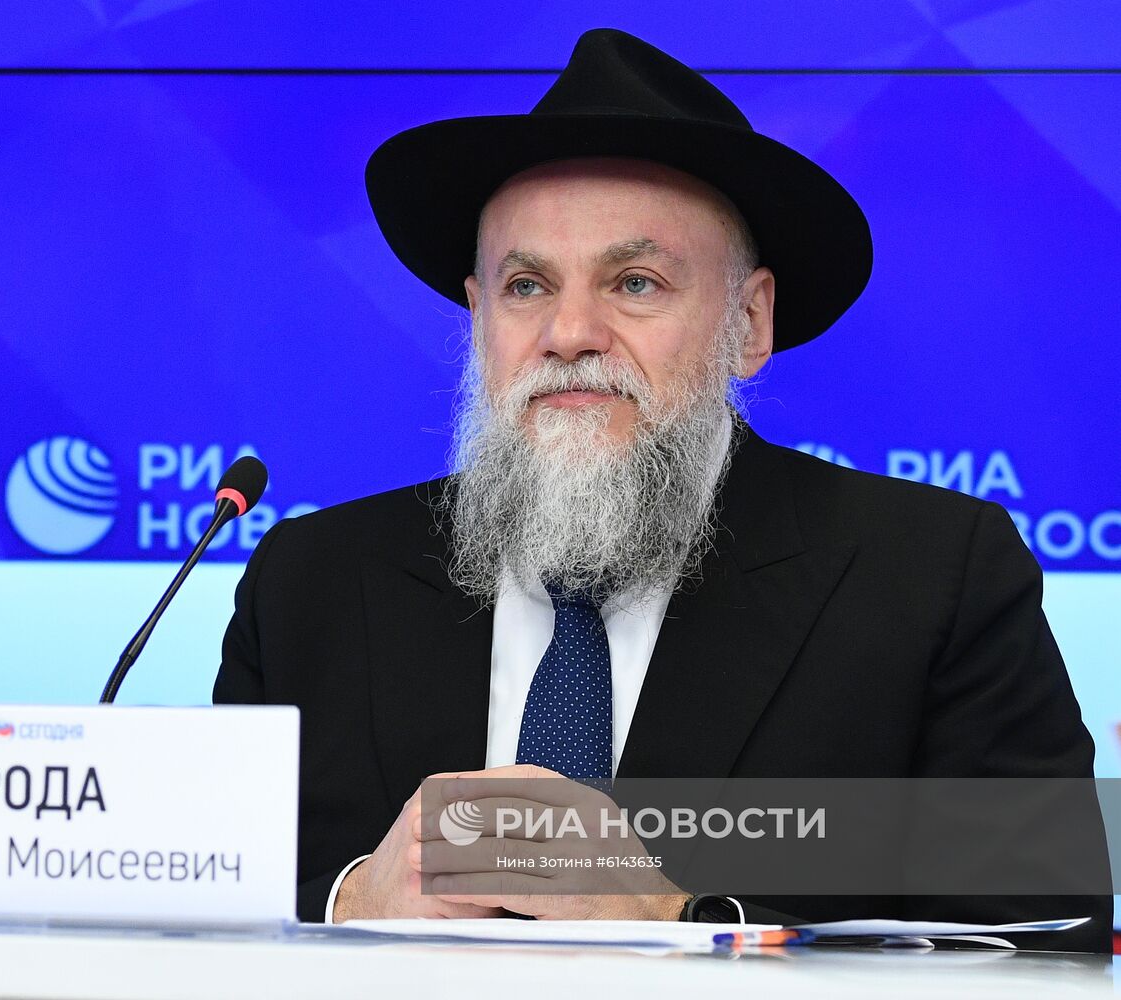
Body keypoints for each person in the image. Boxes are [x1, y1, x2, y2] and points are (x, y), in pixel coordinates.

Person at [213, 29, 1110, 949]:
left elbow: (1047, 930)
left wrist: (680, 915)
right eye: (526, 286)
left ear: (748, 322)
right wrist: (350, 900)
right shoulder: (309, 581)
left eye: (634, 282)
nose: (568, 333)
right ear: (478, 316)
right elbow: (197, 904)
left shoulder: (929, 576)